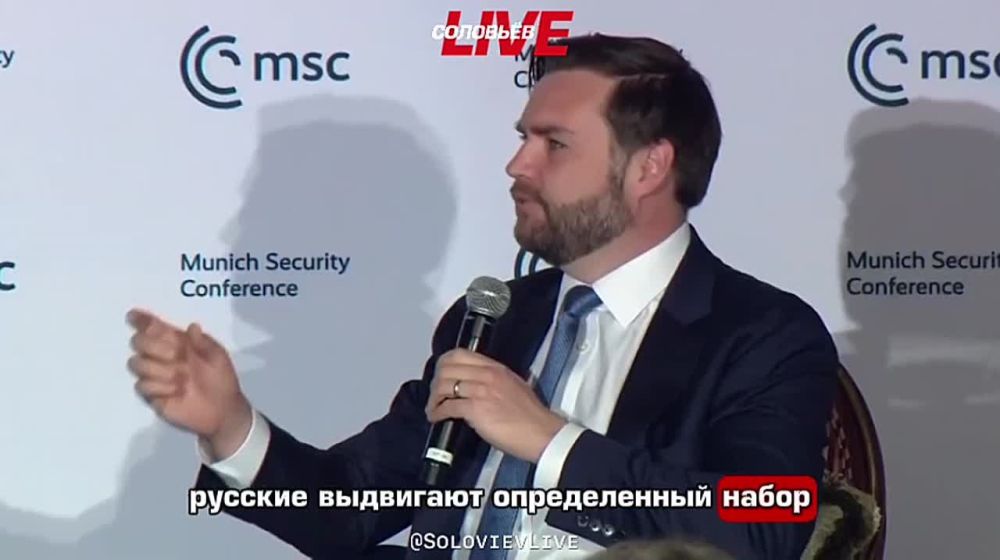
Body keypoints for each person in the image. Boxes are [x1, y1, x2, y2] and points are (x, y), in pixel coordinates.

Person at [126, 34, 838, 560]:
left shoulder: (761, 333)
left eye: (554, 144)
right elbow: (352, 509)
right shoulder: (496, 319)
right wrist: (230, 426)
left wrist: (548, 440)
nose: (516, 164)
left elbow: (761, 529)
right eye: (523, 138)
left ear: (650, 167)